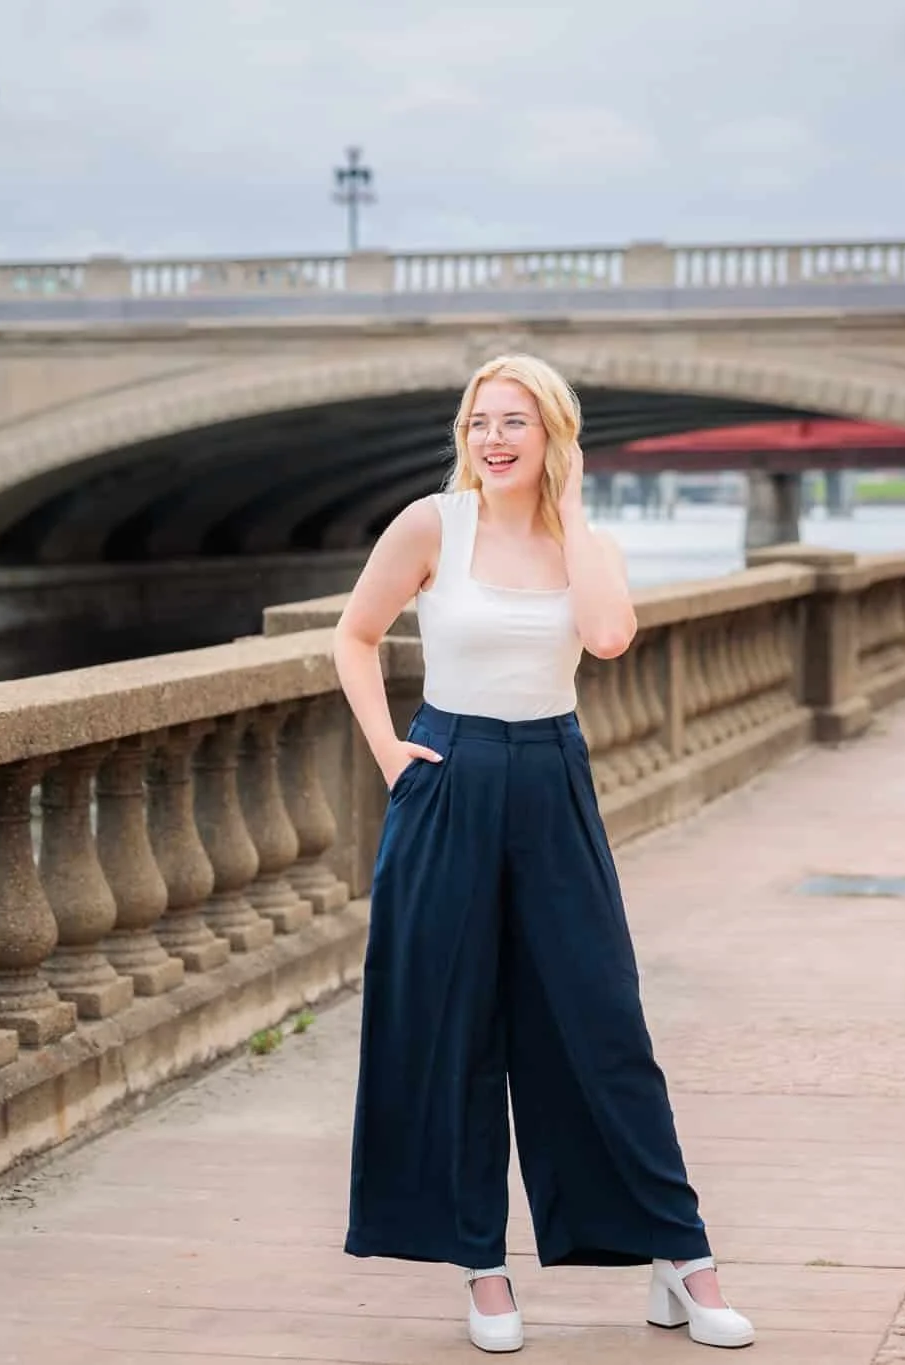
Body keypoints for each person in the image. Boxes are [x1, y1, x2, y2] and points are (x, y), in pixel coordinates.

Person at [331, 354, 754, 1354]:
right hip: (449, 777)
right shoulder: (433, 525)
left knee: (602, 1022)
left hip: (553, 780)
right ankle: (481, 1266)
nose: (492, 439)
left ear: (553, 435)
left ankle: (677, 1255)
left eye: (515, 421)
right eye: (479, 420)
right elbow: (353, 637)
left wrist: (574, 514)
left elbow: (607, 638)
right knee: (456, 1030)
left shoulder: (583, 541)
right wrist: (393, 757)